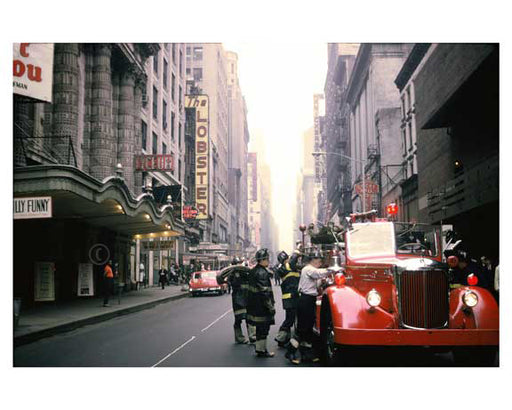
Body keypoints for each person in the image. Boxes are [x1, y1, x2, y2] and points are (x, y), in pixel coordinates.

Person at [291, 249, 332, 364]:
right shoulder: (308, 269)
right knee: (302, 328)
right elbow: (318, 273)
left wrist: (322, 282)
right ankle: (290, 352)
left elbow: (316, 283)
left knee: (308, 328)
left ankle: (306, 355)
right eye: (319, 262)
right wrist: (332, 269)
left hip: (309, 299)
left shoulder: (310, 271)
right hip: (305, 300)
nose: (320, 264)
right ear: (313, 260)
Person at [247, 248, 276, 357]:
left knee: (259, 329)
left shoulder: (253, 271)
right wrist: (270, 307)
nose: (268, 261)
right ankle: (262, 350)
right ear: (262, 260)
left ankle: (260, 349)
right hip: (262, 307)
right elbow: (265, 292)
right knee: (263, 329)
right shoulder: (262, 273)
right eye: (267, 259)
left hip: (254, 306)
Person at [222, 257, 256, 344]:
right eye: (238, 263)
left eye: (240, 263)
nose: (239, 264)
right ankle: (239, 337)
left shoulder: (246, 271)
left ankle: (253, 336)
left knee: (249, 317)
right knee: (238, 319)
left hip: (247, 297)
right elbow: (227, 282)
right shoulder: (231, 274)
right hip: (237, 299)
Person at [274, 250, 300, 347]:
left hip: (290, 298)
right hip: (291, 298)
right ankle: (280, 337)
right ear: (285, 260)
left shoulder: (286, 268)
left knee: (290, 318)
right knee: (290, 319)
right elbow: (293, 261)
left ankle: (285, 339)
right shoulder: (287, 267)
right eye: (288, 258)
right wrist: (296, 253)